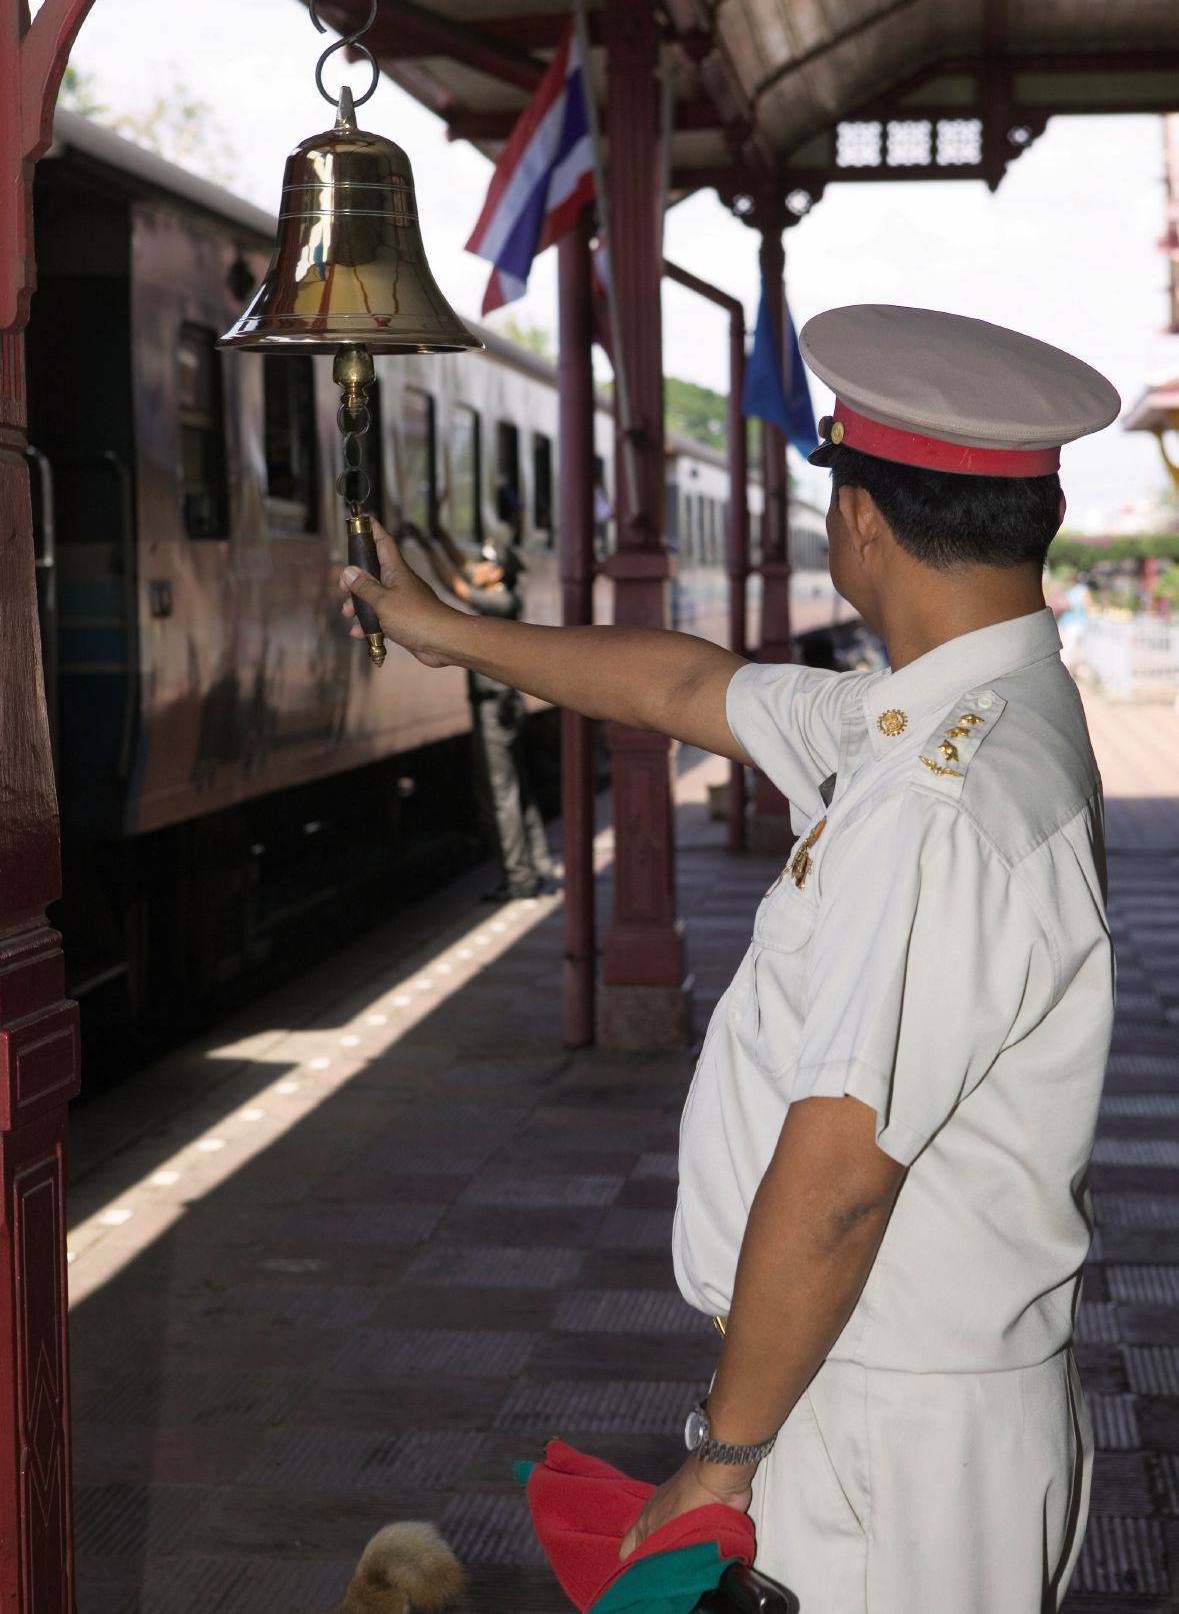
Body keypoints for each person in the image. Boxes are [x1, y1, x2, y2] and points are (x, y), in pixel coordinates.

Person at [342, 305, 1120, 1614]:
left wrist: (721, 1459)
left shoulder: (934, 795)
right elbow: (684, 689)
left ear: (858, 519)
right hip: (895, 1391)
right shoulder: (957, 713)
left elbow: (835, 1181)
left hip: (882, 1432)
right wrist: (453, 635)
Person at [410, 521, 555, 903]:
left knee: (499, 794)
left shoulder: (501, 600)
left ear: (497, 572)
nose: (477, 566)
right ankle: (538, 865)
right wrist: (436, 533)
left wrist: (427, 552)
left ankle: (519, 879)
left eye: (484, 564)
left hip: (495, 711)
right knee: (516, 790)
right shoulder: (501, 592)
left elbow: (455, 585)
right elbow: (462, 568)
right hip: (503, 708)